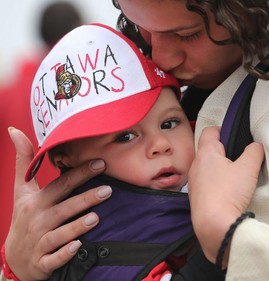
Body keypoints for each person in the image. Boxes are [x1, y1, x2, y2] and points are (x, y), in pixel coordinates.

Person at [2, 0, 269, 280]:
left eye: (186, 33)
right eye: (141, 27)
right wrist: (17, 268)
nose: (159, 55)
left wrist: (229, 236)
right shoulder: (207, 90)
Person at [8, 22, 222, 281]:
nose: (160, 145)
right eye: (125, 137)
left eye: (169, 123)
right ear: (68, 161)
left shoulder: (223, 151)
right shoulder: (76, 253)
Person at [0, 1, 83, 262]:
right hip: (72, 227)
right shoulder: (82, 90)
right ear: (75, 31)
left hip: (14, 232)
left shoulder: (10, 92)